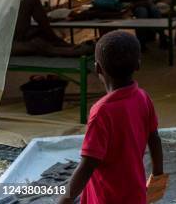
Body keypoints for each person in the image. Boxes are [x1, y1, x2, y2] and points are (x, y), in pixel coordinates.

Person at [58, 30, 167, 204]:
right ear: (138, 65)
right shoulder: (143, 97)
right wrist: (158, 177)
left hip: (106, 197)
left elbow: (87, 165)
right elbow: (154, 139)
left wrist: (65, 199)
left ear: (97, 68)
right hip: (135, 192)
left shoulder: (101, 112)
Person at [11, 0, 92, 57]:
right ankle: (73, 51)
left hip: (11, 33)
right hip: (5, 44)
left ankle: (53, 39)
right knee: (37, 43)